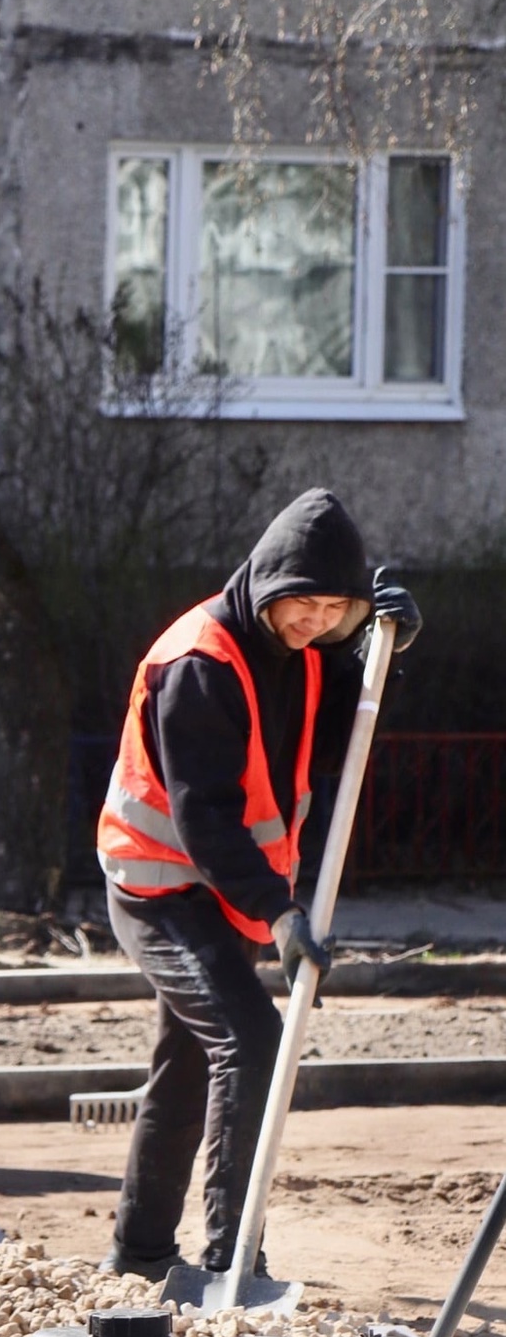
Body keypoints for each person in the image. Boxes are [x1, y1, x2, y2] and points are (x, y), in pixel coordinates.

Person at [96, 488, 422, 1280]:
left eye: (330, 609)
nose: (310, 622)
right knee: (249, 1043)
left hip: (224, 895)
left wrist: (383, 648)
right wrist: (277, 912)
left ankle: (138, 1255)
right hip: (159, 887)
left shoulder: (304, 658)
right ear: (265, 583)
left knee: (186, 1067)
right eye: (299, 604)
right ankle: (229, 1263)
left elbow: (338, 738)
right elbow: (203, 814)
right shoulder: (198, 664)